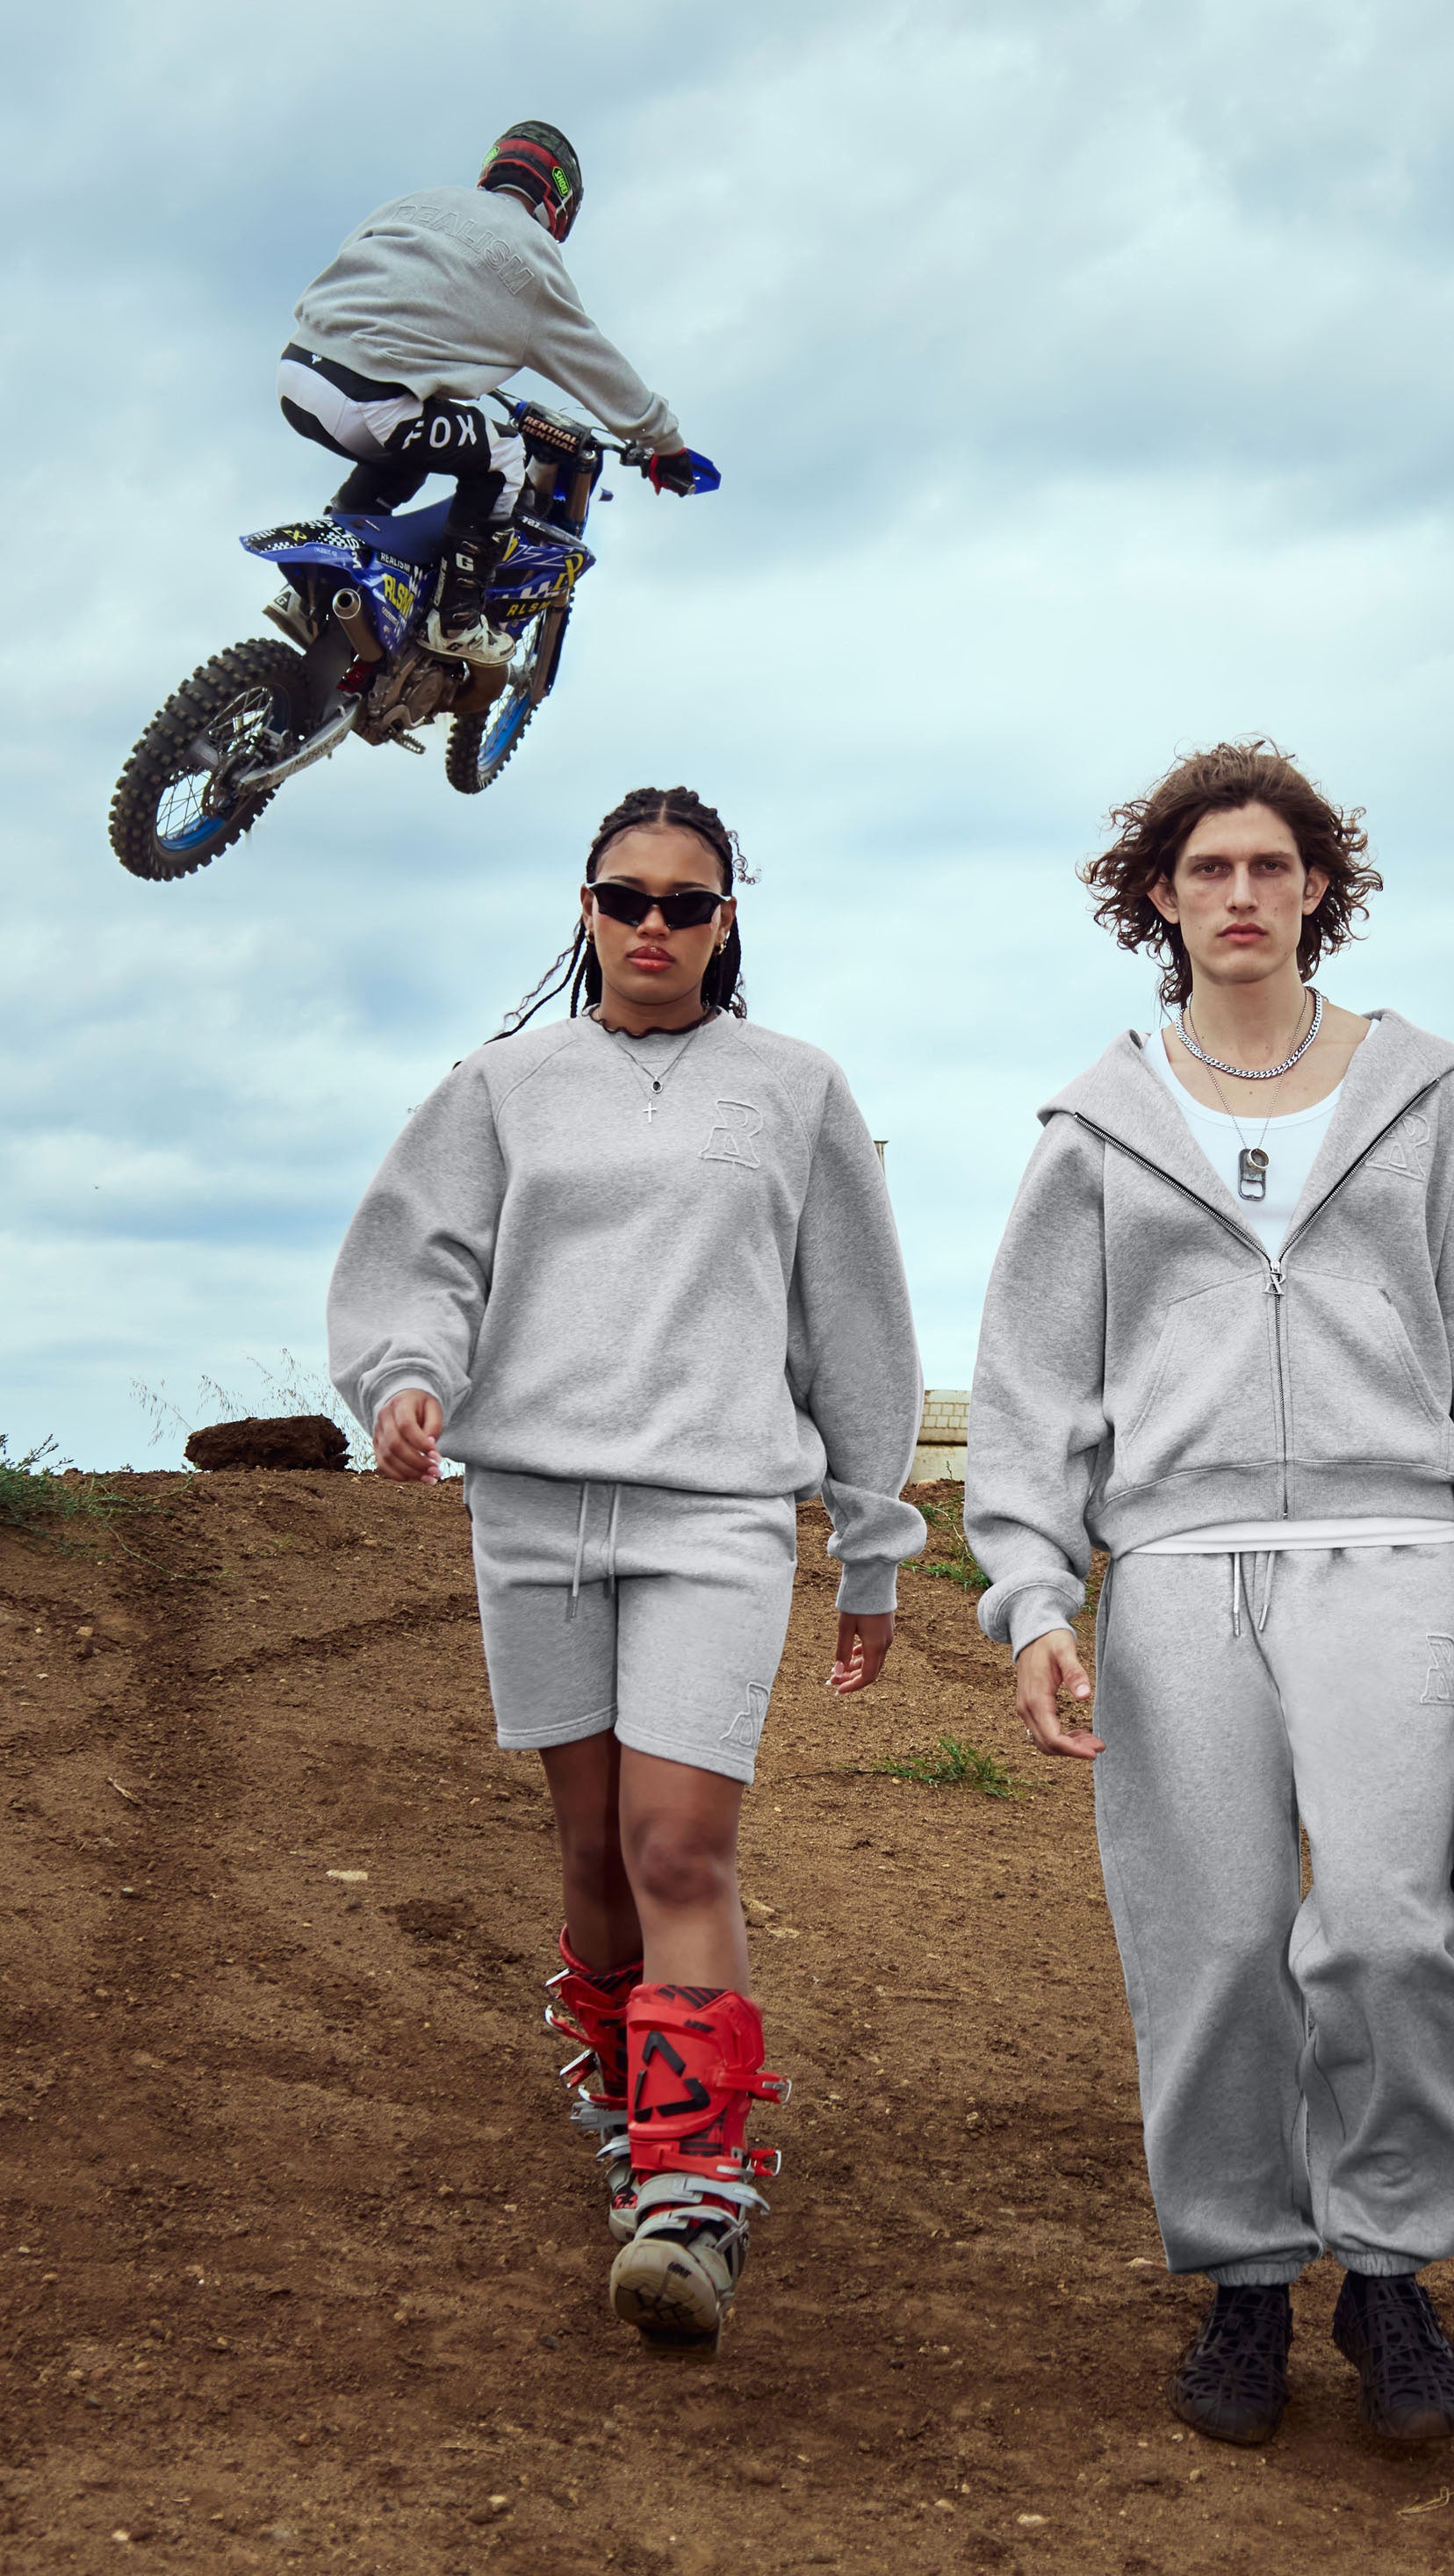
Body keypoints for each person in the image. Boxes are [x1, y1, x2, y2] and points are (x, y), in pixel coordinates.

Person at [963, 740, 1454, 2447]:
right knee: (1215, 1944)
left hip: (1390, 1554)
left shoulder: (1431, 1099)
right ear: (1158, 900)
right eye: (1208, 870)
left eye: (1269, 866)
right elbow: (1033, 1389)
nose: (1240, 894)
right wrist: (1035, 1597)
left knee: (1390, 1927)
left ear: (1320, 887)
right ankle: (1247, 2276)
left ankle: (1389, 2268)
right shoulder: (1098, 1129)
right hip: (1176, 1574)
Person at [327, 784, 923, 2350]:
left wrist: (872, 1544)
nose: (655, 926)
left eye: (688, 903)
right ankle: (627, 2107)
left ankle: (692, 2196)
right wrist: (405, 1379)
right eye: (626, 898)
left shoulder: (794, 1090)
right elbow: (422, 1260)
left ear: (728, 924)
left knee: (677, 1849)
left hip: (716, 1513)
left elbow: (857, 1326)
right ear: (585, 911)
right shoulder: (501, 1087)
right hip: (532, 1508)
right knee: (592, 1855)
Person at [281, 122, 708, 666]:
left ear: (492, 166)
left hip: (299, 372)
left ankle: (311, 590)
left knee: (422, 432)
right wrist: (665, 443)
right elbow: (596, 365)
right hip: (368, 401)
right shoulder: (532, 259)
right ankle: (456, 620)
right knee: (504, 454)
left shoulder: (420, 203)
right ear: (560, 204)